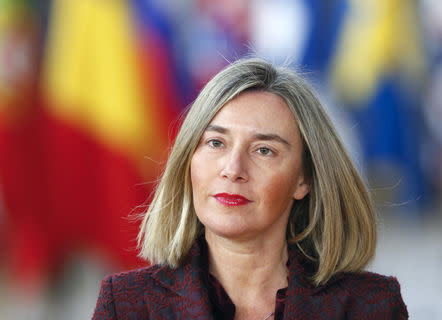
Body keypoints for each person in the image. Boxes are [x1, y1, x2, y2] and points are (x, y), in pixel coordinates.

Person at [92, 58, 408, 319]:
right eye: (216, 143)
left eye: (263, 150)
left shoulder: (373, 306)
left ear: (304, 179)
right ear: (188, 159)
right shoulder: (126, 305)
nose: (233, 169)